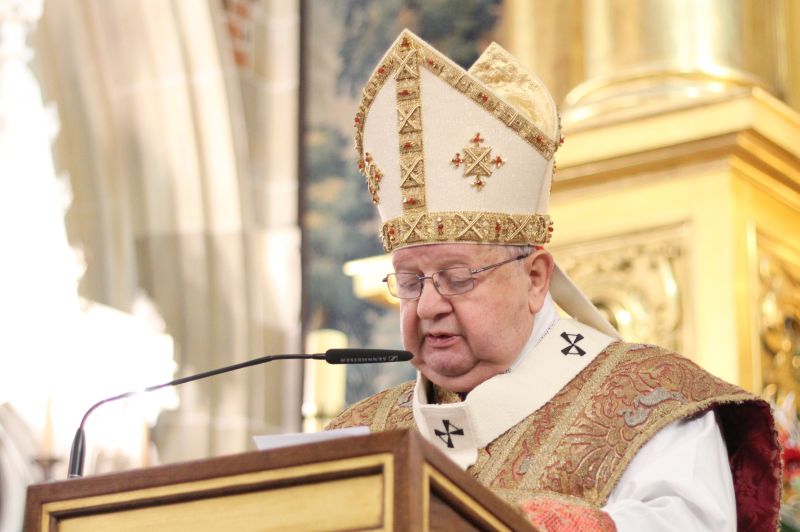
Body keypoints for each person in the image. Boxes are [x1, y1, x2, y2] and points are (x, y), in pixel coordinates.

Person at [327, 29, 781, 531]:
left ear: (535, 278)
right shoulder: (359, 437)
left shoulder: (652, 400)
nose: (428, 306)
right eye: (411, 282)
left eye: (456, 278)